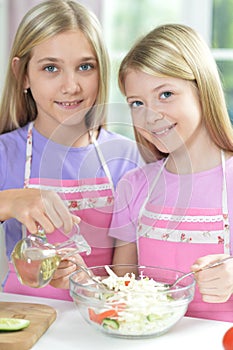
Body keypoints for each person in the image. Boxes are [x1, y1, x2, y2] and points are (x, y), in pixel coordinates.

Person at [0, 0, 142, 300]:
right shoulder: (5, 153)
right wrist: (9, 201)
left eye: (85, 67)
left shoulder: (129, 157)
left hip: (100, 322)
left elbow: (129, 280)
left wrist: (87, 283)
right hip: (23, 321)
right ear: (23, 74)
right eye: (51, 68)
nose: (71, 86)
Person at [109, 23, 233, 322]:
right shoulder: (134, 185)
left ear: (202, 89)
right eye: (137, 103)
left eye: (165, 94)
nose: (150, 115)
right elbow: (119, 288)